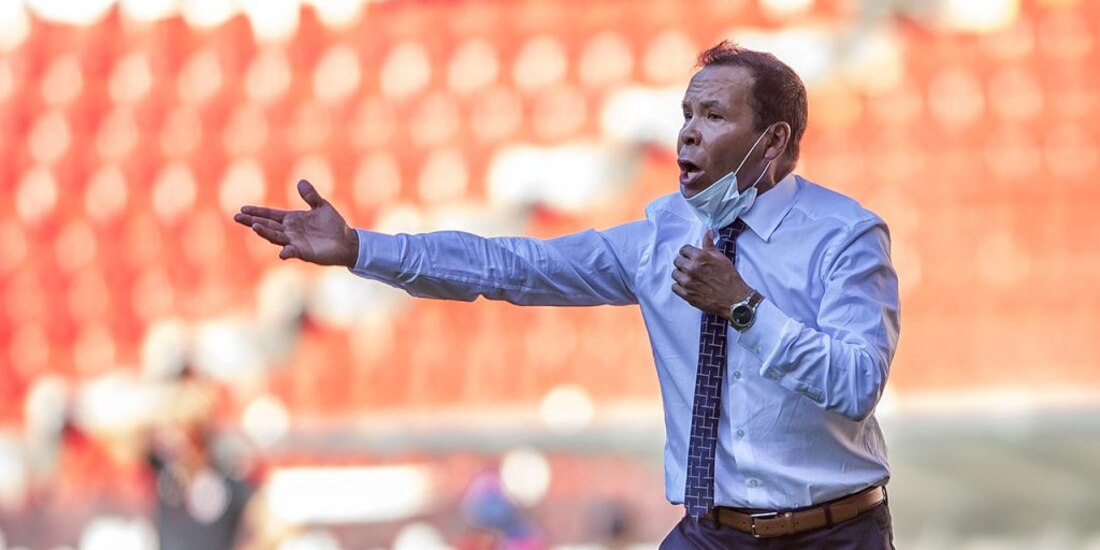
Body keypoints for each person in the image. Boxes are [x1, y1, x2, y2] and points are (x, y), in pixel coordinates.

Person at [234, 41, 899, 549]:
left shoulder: (845, 235)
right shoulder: (661, 233)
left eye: (714, 114)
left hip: (833, 534)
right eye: (686, 114)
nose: (687, 133)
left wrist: (744, 308)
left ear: (773, 140)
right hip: (712, 532)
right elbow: (509, 266)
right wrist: (361, 249)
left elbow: (857, 382)